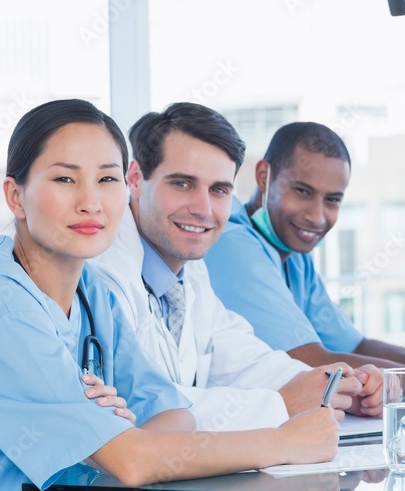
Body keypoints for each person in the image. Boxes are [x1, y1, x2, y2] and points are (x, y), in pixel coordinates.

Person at [0, 100, 337, 491]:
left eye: (106, 179)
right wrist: (282, 442)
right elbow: (130, 462)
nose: (91, 202)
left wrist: (117, 436)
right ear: (16, 196)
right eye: (65, 179)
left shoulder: (91, 293)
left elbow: (174, 415)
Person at [89, 102, 382, 432]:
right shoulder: (99, 272)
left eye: (218, 190)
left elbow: (243, 360)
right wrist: (281, 405)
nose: (203, 210)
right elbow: (140, 405)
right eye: (182, 183)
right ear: (136, 179)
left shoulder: (190, 272)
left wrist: (327, 389)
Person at [206, 122, 405, 399]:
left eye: (332, 200)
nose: (317, 217)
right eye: (303, 192)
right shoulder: (233, 244)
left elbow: (353, 344)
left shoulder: (290, 251)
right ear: (264, 176)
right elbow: (314, 362)